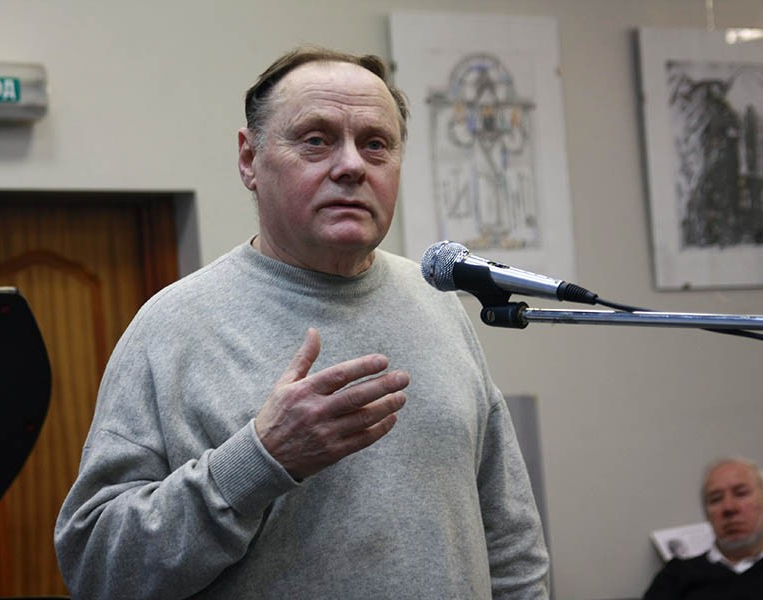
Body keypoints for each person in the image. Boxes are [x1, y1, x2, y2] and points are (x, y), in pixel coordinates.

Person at [54, 45, 549, 600]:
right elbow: (96, 567)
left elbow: (510, 539)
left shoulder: (437, 302)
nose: (352, 165)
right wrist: (259, 460)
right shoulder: (171, 327)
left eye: (376, 144)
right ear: (249, 160)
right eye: (316, 140)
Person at [642, 456, 763, 599]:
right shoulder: (676, 576)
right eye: (715, 499)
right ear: (707, 515)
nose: (729, 508)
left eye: (741, 493)